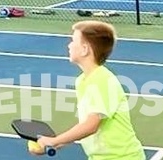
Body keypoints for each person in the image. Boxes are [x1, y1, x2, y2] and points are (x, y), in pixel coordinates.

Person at [35, 20, 145, 158]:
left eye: (73, 41)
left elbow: (91, 126)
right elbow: (86, 126)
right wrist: (55, 144)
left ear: (85, 49)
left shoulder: (102, 80)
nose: (69, 45)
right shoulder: (82, 80)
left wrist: (54, 141)